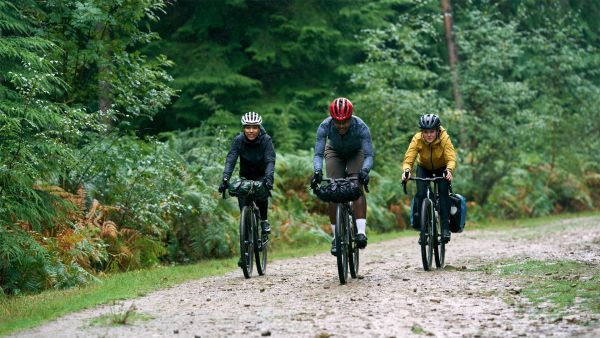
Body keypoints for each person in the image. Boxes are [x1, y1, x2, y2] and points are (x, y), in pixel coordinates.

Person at [311, 97, 374, 255]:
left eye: (344, 122)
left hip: (356, 152)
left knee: (356, 186)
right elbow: (318, 154)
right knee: (333, 189)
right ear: (332, 119)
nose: (340, 126)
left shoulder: (361, 126)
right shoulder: (325, 126)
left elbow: (369, 155)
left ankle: (360, 232)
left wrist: (365, 171)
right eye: (337, 122)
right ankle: (336, 238)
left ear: (350, 117)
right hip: (334, 151)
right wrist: (317, 171)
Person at [401, 113, 456, 243]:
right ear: (422, 132)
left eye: (432, 131)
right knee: (421, 194)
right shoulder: (417, 139)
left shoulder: (444, 138)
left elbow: (451, 158)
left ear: (437, 130)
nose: (429, 135)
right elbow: (409, 158)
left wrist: (449, 170)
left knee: (443, 193)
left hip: (441, 168)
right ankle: (424, 230)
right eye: (425, 132)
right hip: (424, 167)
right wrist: (407, 170)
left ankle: (445, 229)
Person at [218, 112, 276, 235]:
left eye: (254, 127)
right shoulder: (238, 140)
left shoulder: (266, 140)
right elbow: (231, 160)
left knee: (262, 196)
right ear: (244, 128)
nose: (251, 131)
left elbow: (270, 160)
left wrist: (269, 179)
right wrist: (225, 178)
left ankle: (264, 221)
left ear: (259, 128)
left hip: (262, 175)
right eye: (248, 127)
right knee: (243, 205)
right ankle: (246, 247)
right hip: (244, 177)